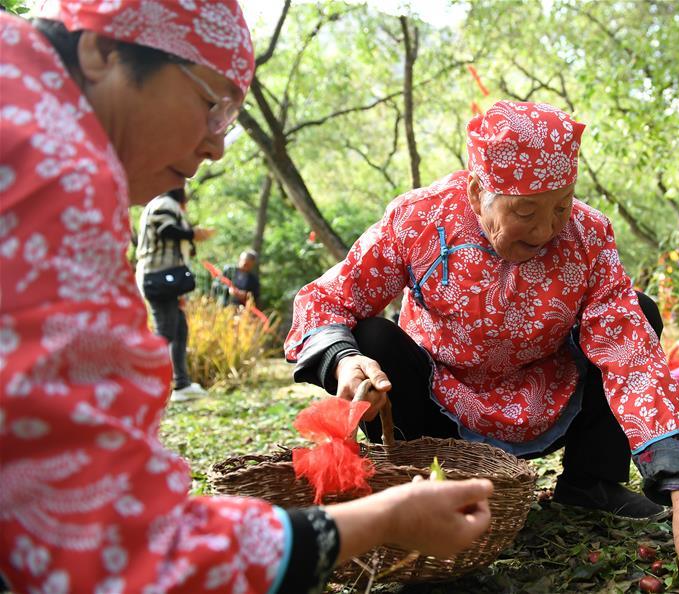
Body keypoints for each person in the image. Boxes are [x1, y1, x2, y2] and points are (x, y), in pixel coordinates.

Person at [0, 4, 492, 593]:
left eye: (231, 116)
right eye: (213, 105)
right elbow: (108, 540)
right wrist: (380, 519)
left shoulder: (25, 99)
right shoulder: (55, 169)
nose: (219, 148)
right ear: (102, 51)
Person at [286, 100, 679, 594]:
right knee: (372, 337)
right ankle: (419, 490)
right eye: (526, 210)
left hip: (547, 391)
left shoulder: (588, 235)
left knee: (639, 309)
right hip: (439, 400)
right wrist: (345, 359)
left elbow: (630, 356)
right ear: (477, 190)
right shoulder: (418, 219)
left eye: (562, 206)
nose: (548, 229)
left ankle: (590, 482)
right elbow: (325, 298)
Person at [136, 187, 213, 400]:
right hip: (159, 275)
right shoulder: (164, 203)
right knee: (166, 332)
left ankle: (181, 384)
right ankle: (149, 383)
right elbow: (166, 230)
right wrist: (193, 234)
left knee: (179, 329)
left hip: (166, 277)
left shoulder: (163, 205)